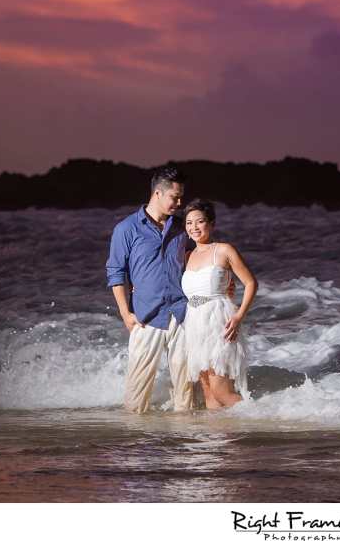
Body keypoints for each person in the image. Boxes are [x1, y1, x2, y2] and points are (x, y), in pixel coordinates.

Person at [106, 166, 194, 414]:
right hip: (146, 316)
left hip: (182, 313)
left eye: (181, 197)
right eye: (175, 197)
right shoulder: (126, 228)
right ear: (157, 193)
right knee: (136, 395)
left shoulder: (183, 227)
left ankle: (185, 434)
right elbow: (115, 272)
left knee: (186, 390)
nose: (180, 203)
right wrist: (125, 314)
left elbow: (198, 258)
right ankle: (135, 435)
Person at [181, 199, 258, 408]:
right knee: (209, 395)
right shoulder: (187, 256)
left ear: (211, 224)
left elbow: (251, 283)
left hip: (218, 322)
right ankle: (219, 431)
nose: (194, 227)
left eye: (200, 221)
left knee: (222, 392)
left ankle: (263, 419)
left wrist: (239, 316)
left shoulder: (224, 250)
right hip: (194, 324)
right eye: (189, 223)